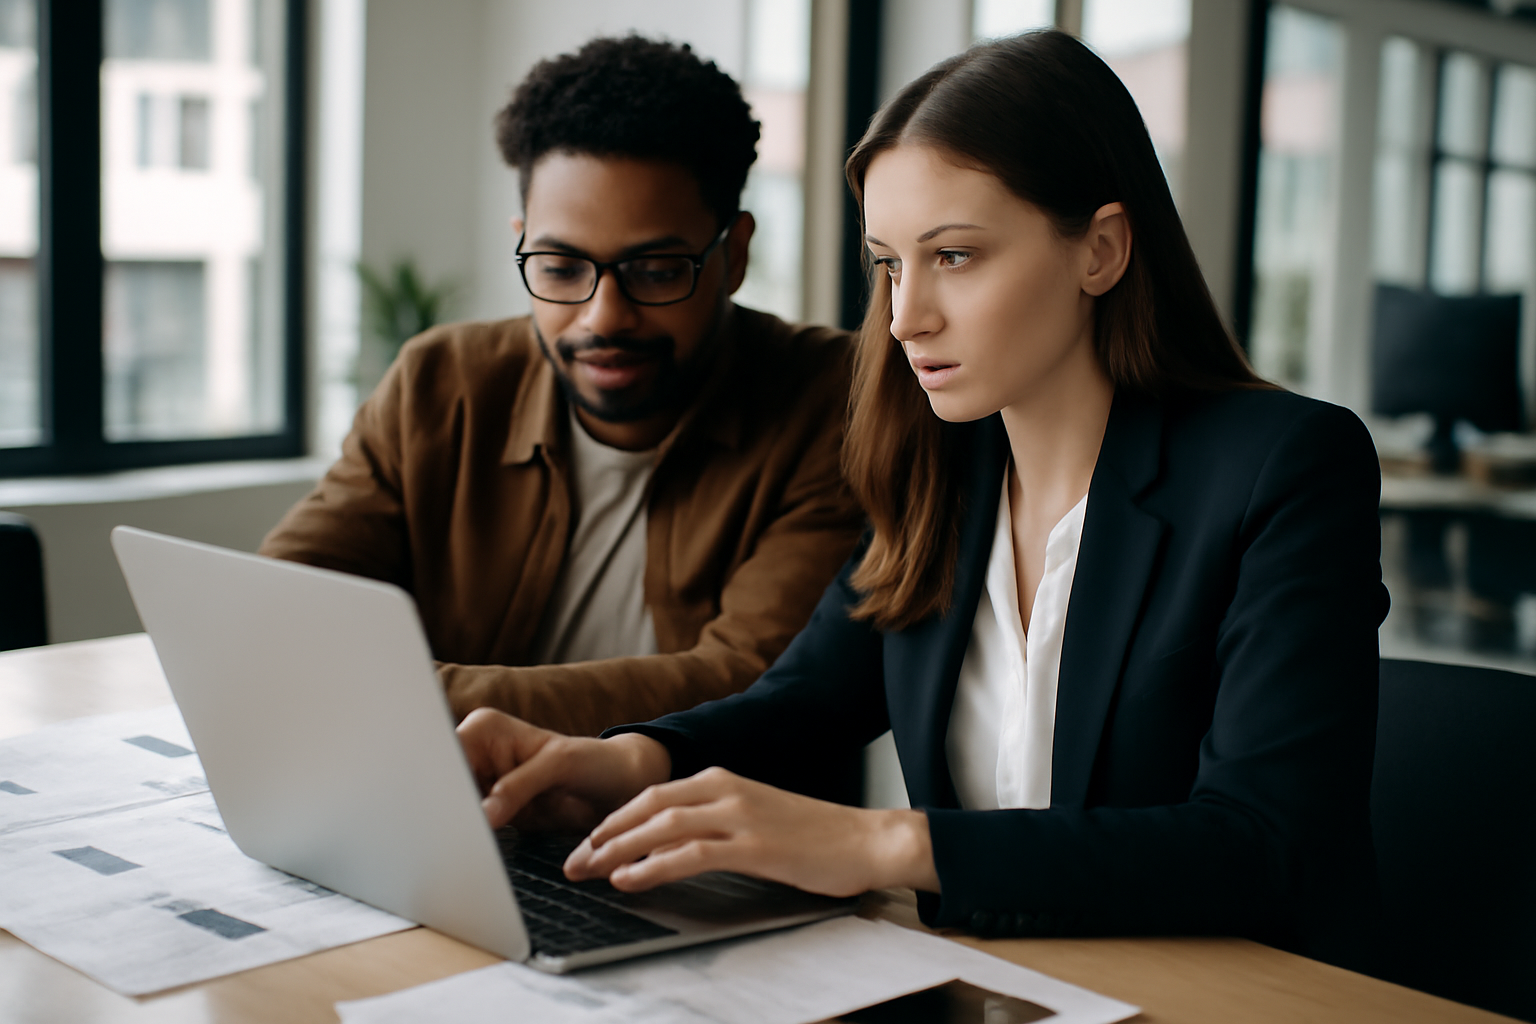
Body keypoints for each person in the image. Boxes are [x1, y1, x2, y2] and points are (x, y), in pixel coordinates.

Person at [456, 30, 1388, 960]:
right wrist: (625, 763)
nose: (905, 318)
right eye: (888, 263)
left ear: (1100, 250)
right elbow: (807, 700)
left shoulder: (1287, 467)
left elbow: (1266, 845)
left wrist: (884, 843)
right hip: (992, 981)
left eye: (954, 256)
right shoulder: (943, 464)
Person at [261, 37, 864, 741]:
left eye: (657, 270)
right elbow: (285, 610)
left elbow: (750, 680)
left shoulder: (832, 401)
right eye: (559, 267)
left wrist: (412, 694)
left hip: (709, 835)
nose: (603, 315)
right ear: (521, 240)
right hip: (456, 813)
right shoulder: (439, 384)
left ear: (733, 255)